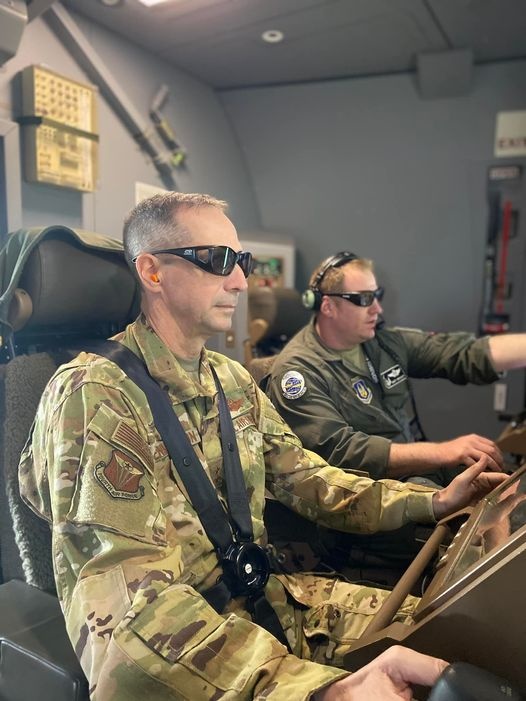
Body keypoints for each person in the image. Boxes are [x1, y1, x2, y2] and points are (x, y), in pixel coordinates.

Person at [19, 194, 505, 700]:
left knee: (459, 631)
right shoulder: (94, 394)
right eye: (219, 261)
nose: (240, 281)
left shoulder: (228, 379)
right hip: (187, 647)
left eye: (242, 262)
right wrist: (321, 692)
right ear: (152, 272)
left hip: (264, 600)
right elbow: (132, 619)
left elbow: (308, 480)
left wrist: (431, 502)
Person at [266, 251, 526, 487]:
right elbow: (342, 450)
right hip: (364, 496)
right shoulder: (298, 371)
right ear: (328, 306)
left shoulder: (382, 343)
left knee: (502, 488)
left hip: (409, 472)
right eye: (365, 299)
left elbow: (462, 353)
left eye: (377, 296)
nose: (377, 309)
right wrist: (441, 452)